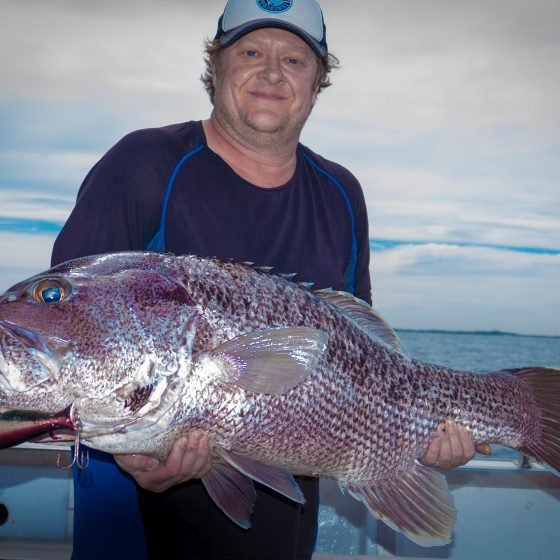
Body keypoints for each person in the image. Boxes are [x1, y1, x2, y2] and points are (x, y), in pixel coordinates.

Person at [51, 1, 491, 558]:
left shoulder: (341, 191)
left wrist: (417, 437)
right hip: (131, 489)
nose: (272, 72)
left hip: (280, 495)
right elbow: (70, 330)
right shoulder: (144, 162)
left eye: (295, 59)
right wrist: (141, 454)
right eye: (251, 52)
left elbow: (365, 356)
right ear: (216, 68)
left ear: (317, 82)